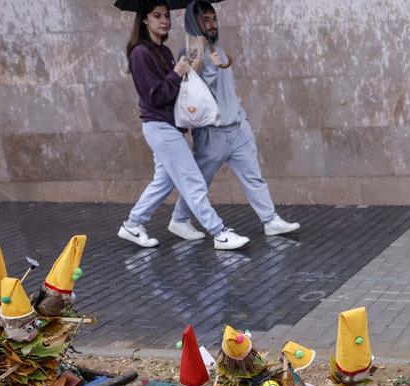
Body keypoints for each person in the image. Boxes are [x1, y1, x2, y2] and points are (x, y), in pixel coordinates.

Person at [118, 2, 249, 251]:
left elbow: (175, 91)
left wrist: (189, 67)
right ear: (144, 19)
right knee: (192, 180)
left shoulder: (163, 51)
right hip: (160, 127)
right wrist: (177, 72)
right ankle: (219, 233)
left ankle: (133, 224)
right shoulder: (140, 53)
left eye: (166, 16)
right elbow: (155, 96)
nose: (164, 21)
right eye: (156, 16)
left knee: (164, 182)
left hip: (169, 126)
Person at [166, 1, 300, 241]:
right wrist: (210, 66)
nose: (212, 24)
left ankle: (270, 220)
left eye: (213, 18)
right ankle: (179, 219)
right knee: (200, 181)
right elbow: (191, 90)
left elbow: (226, 90)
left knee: (254, 177)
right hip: (212, 133)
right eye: (205, 19)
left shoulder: (219, 49)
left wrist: (241, 116)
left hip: (238, 128)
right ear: (193, 23)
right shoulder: (188, 54)